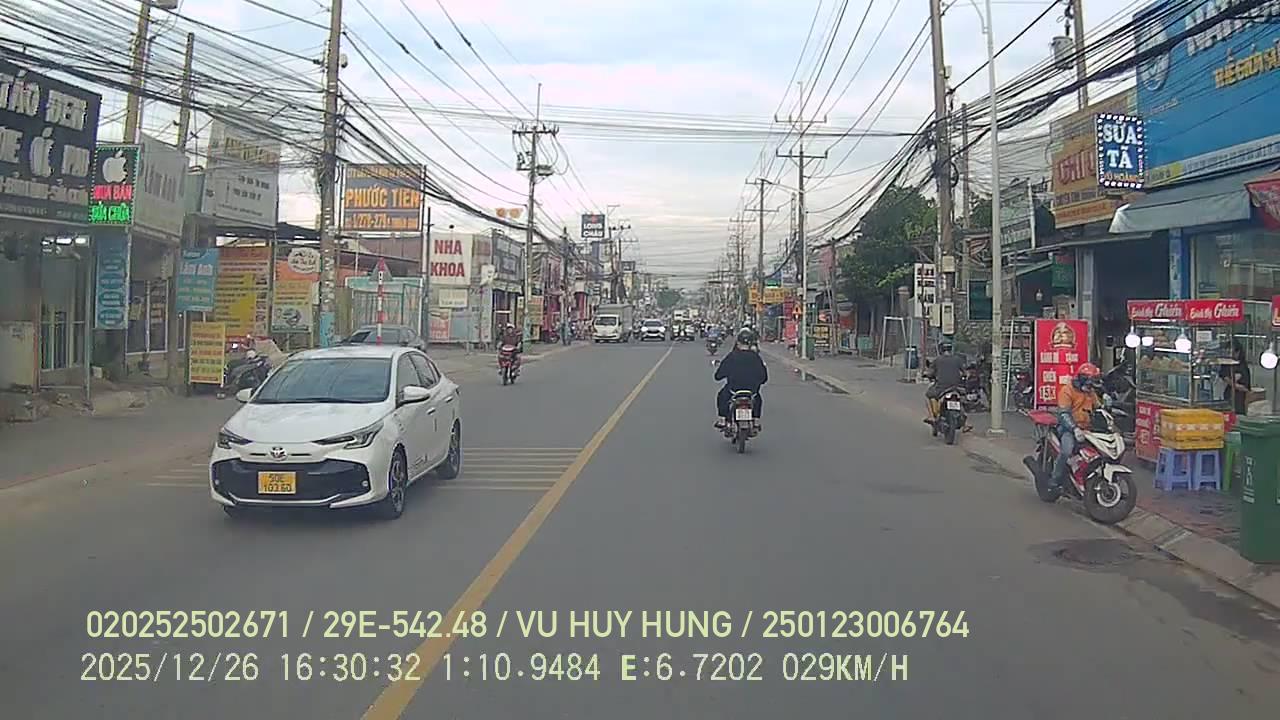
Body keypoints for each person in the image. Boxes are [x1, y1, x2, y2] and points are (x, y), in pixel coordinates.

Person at [1052, 362, 1103, 488]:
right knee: (1066, 451)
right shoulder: (1067, 390)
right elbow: (1063, 414)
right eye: (1090, 384)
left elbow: (1098, 407)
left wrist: (1106, 405)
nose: (1091, 387)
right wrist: (1074, 428)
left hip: (1088, 429)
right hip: (1068, 429)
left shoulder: (1090, 392)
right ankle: (1055, 479)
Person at [714, 328, 768, 428]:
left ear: (738, 342)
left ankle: (722, 420)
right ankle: (756, 421)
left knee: (721, 396)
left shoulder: (732, 356)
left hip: (734, 390)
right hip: (751, 391)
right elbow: (764, 377)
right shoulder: (756, 357)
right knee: (758, 399)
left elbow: (718, 375)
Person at [923, 340, 966, 423]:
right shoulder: (957, 359)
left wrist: (926, 374)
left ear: (941, 349)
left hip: (941, 387)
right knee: (960, 401)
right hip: (955, 387)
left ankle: (931, 416)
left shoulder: (937, 360)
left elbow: (930, 373)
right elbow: (965, 372)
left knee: (928, 396)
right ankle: (966, 423)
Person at [1219, 340, 1251, 415]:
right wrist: (1234, 384)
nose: (1232, 355)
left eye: (1233, 352)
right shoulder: (1226, 364)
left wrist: (1236, 384)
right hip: (1230, 395)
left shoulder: (1242, 365)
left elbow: (1245, 384)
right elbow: (1225, 377)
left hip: (1241, 396)